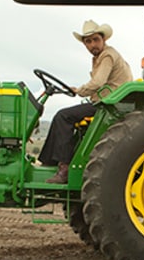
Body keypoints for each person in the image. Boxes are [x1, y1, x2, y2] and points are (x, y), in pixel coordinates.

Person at [39, 19, 132, 184]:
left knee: (63, 116)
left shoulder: (107, 55)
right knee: (66, 117)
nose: (92, 44)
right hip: (106, 103)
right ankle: (51, 163)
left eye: (96, 40)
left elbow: (98, 83)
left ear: (104, 39)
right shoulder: (100, 57)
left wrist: (79, 91)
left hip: (110, 106)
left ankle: (64, 168)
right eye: (88, 41)